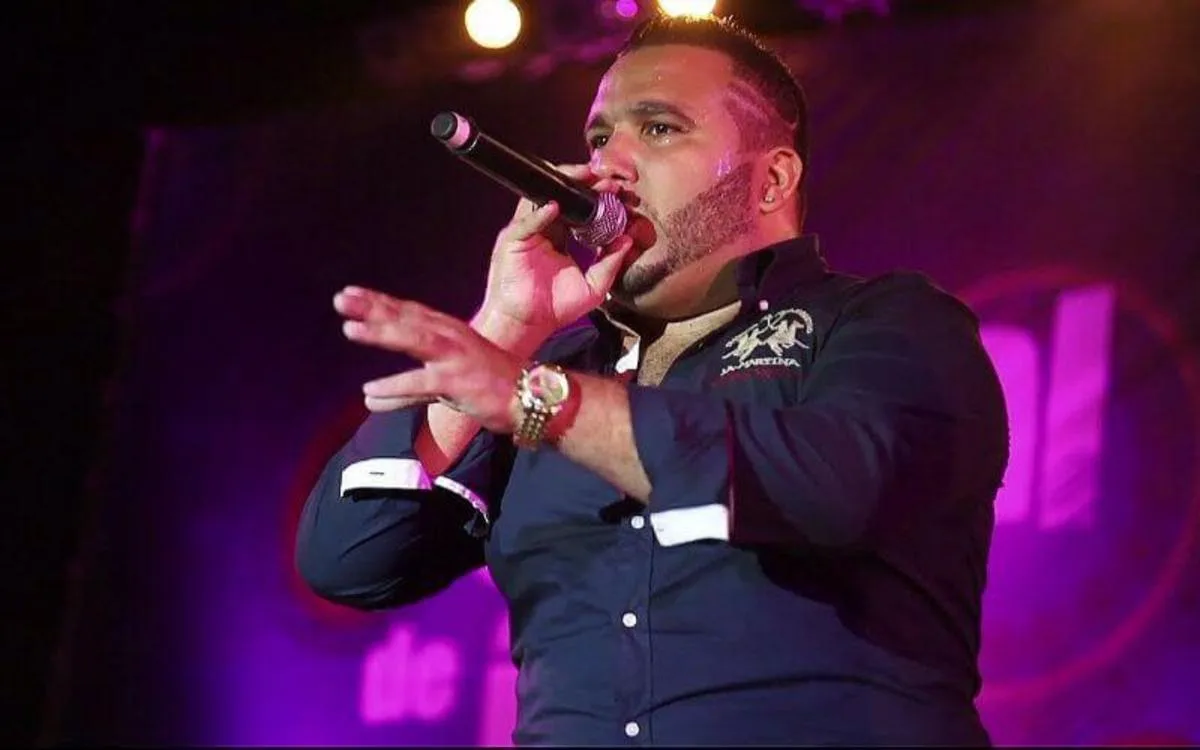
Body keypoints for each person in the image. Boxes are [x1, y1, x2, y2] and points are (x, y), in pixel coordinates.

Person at [296, 12, 1008, 746]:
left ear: (771, 180)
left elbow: (838, 489)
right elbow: (351, 561)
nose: (611, 165)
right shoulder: (547, 366)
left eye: (660, 129)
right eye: (600, 138)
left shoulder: (886, 323)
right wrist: (508, 324)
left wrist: (548, 406)